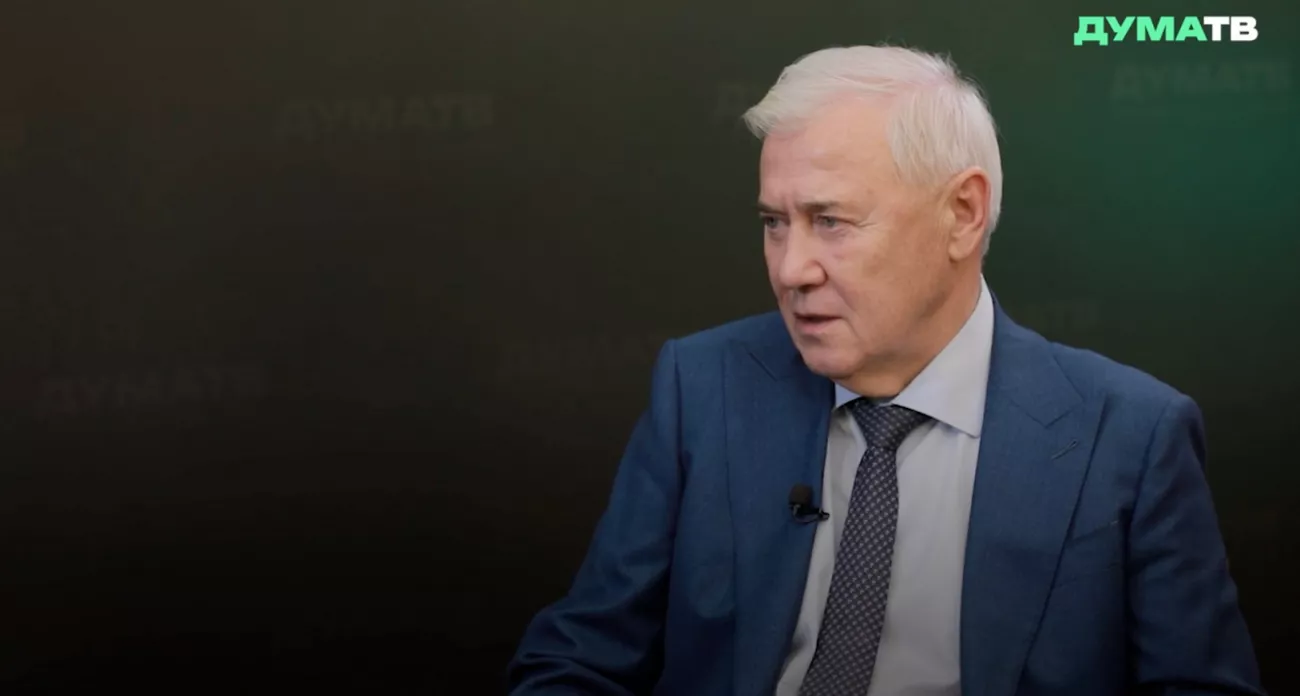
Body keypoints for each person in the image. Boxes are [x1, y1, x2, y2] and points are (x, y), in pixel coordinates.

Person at [506, 44, 1264, 696]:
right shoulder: (703, 387)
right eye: (774, 224)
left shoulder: (1130, 435)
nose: (791, 269)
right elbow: (578, 661)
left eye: (831, 221)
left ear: (962, 214)